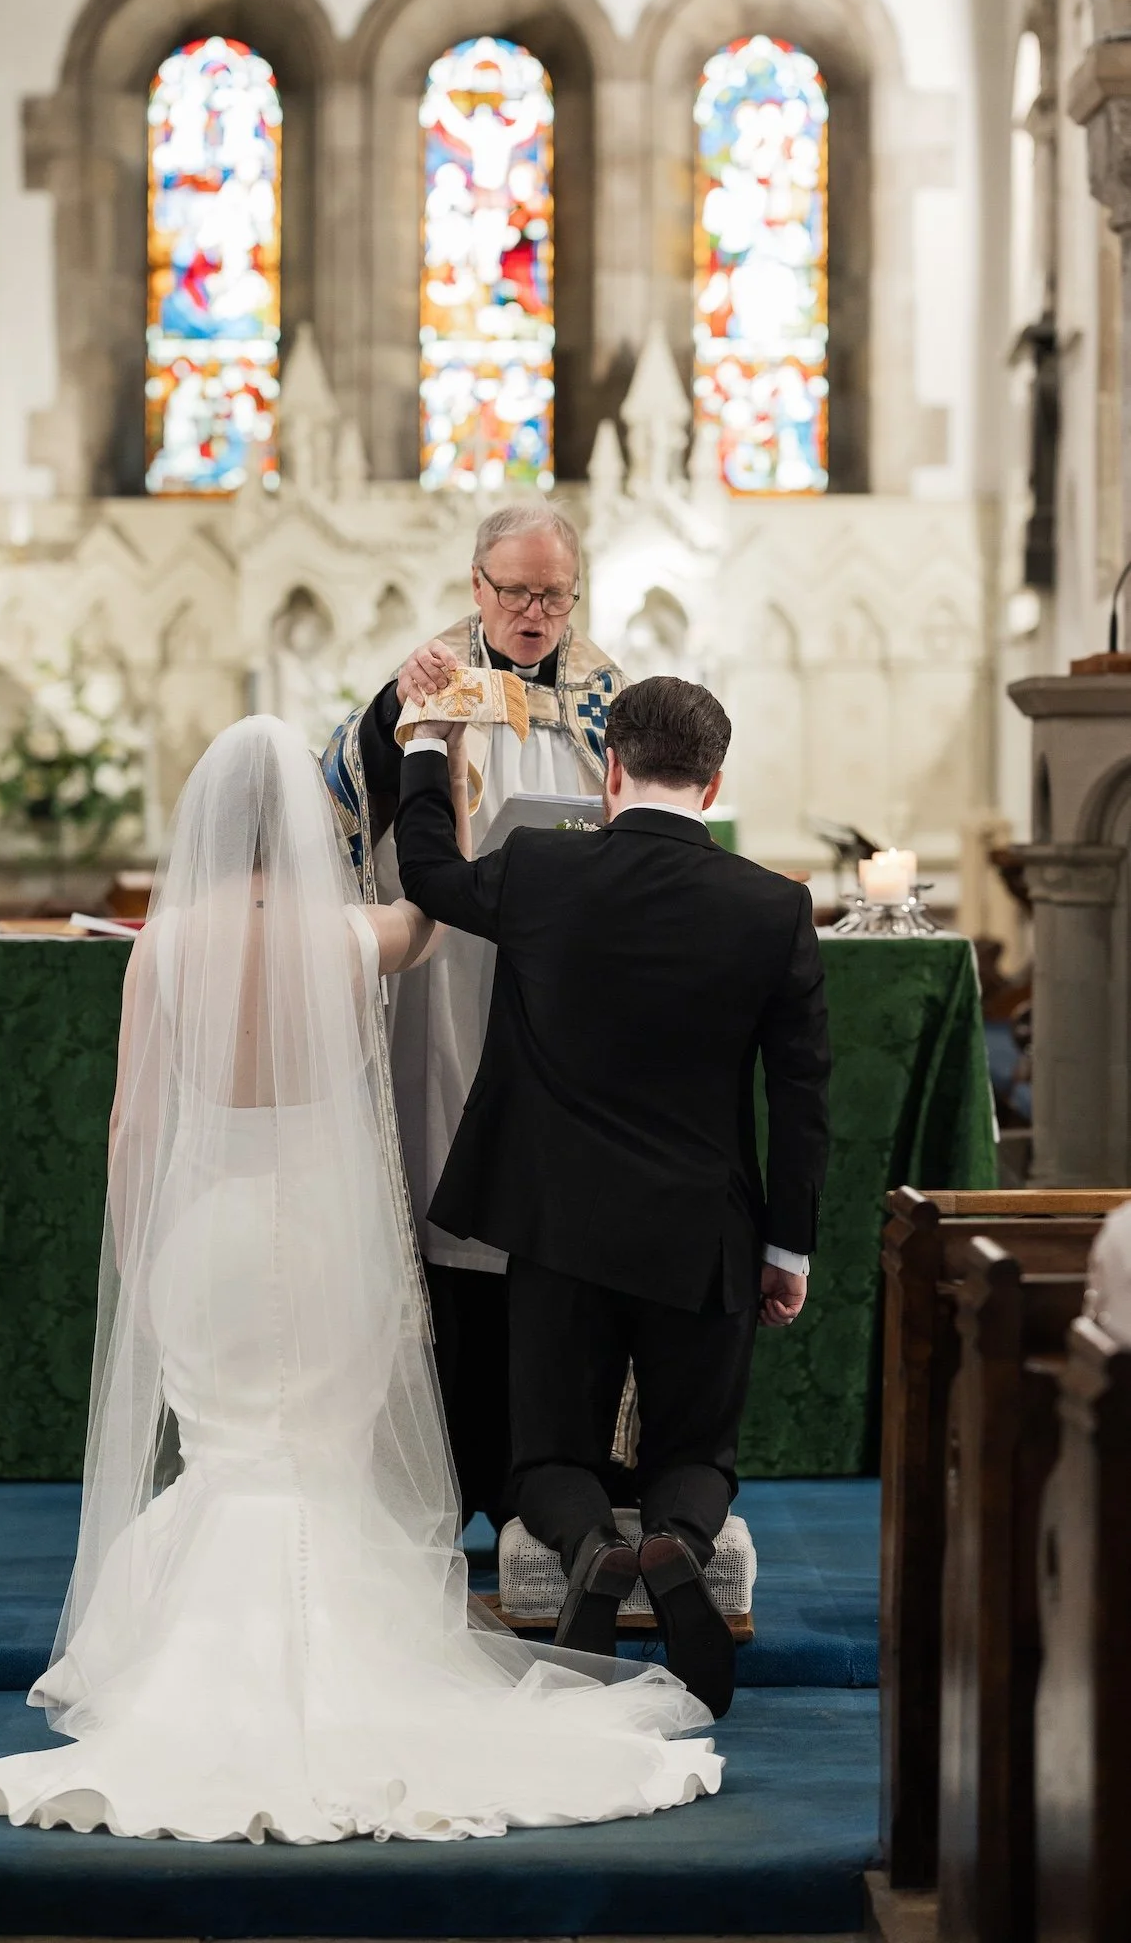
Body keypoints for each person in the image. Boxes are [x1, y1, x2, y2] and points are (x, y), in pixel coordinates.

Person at [0, 714, 721, 1843]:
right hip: (326, 1237)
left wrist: (148, 1255)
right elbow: (437, 912)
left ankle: (200, 1668)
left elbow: (134, 1126)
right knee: (319, 1450)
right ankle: (350, 1659)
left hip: (209, 1239)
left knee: (229, 1448)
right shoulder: (346, 933)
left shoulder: (164, 945)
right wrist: (452, 795)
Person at [395, 677, 831, 1719]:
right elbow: (803, 1094)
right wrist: (790, 1251)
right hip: (705, 1234)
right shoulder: (773, 907)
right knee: (693, 1453)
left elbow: (428, 874)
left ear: (610, 771)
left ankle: (593, 1543)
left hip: (559, 1227)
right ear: (714, 779)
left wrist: (423, 748)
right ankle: (675, 1540)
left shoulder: (544, 869)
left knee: (546, 1450)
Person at [322, 501, 627, 1526]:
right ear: (476, 586)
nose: (536, 612)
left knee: (550, 1210)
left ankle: (554, 1475)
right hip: (445, 983)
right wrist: (389, 719)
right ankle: (443, 1472)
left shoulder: (607, 698)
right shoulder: (427, 680)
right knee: (450, 1182)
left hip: (566, 988)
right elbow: (339, 791)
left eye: (554, 593)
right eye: (516, 591)